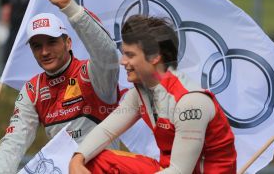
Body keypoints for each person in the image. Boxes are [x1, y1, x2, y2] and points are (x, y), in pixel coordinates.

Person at [0, 0, 120, 173]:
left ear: (68, 43)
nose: (44, 52)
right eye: (37, 46)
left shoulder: (93, 74)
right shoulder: (32, 90)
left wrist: (69, 6)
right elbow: (13, 144)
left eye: (52, 42)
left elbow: (107, 53)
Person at [69, 15, 237, 173]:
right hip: (166, 170)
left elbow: (179, 171)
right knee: (94, 159)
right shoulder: (141, 92)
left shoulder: (189, 102)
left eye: (130, 55)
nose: (123, 61)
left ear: (155, 57)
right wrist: (77, 158)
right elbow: (107, 130)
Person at [1, 0, 34, 67]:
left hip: (25, 29)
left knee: (24, 52)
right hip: (13, 28)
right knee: (8, 53)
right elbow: (3, 2)